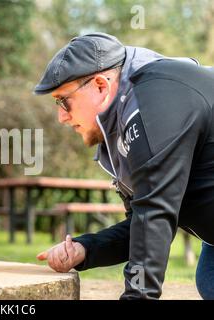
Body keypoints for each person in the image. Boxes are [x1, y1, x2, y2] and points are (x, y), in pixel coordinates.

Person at [33, 32, 214, 300]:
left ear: (100, 86)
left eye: (63, 100)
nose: (61, 117)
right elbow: (144, 222)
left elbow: (154, 214)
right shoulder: (128, 122)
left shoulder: (158, 103)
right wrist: (87, 249)